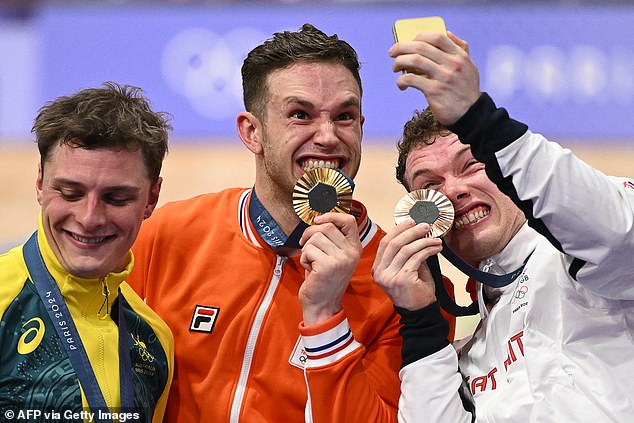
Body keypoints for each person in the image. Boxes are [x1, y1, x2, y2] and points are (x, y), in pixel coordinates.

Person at [128, 23, 458, 422]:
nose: (328, 136)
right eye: (300, 115)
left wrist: (326, 314)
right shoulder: (169, 234)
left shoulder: (406, 283)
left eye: (344, 116)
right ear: (252, 132)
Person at [372, 30, 634, 422]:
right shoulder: (469, 351)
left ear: (503, 168)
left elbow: (615, 235)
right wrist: (421, 323)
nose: (455, 191)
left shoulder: (579, 252)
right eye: (430, 186)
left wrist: (480, 122)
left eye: (471, 164)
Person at [0, 82, 174, 422]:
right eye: (70, 192)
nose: (89, 218)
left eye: (116, 198)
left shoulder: (154, 340)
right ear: (40, 183)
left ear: (150, 199)